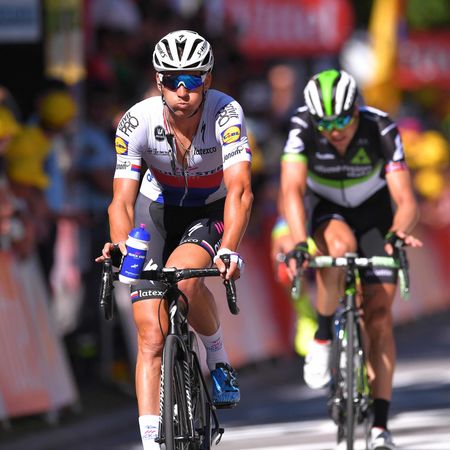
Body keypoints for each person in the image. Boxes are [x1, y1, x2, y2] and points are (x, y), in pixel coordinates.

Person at [95, 30, 253, 450]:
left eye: (193, 79)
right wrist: (121, 243)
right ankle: (152, 443)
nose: (182, 90)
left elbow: (240, 190)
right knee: (150, 334)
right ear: (158, 80)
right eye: (172, 80)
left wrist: (229, 248)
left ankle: (217, 358)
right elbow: (121, 200)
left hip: (209, 210)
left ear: (208, 80)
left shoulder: (226, 113)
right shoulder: (137, 121)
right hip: (157, 211)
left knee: (184, 279)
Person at [280, 69, 422, 450]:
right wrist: (298, 242)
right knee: (337, 253)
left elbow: (406, 200)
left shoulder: (380, 127)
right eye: (325, 124)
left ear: (356, 109)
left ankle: (380, 427)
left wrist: (398, 232)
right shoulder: (302, 126)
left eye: (342, 121)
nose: (334, 131)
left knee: (379, 317)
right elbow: (291, 190)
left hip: (375, 216)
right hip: (329, 211)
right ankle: (323, 335)